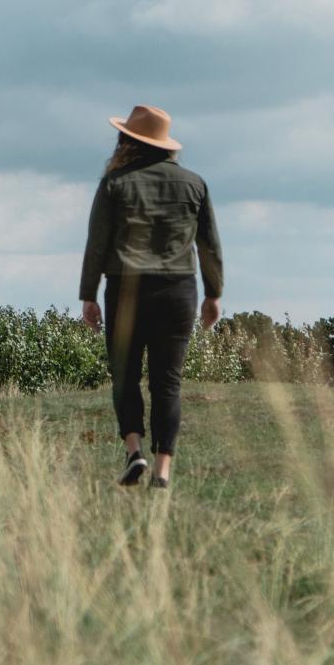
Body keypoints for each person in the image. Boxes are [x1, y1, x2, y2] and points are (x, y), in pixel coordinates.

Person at [79, 105, 224, 490]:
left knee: (125, 375)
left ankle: (134, 449)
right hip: (179, 290)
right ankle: (162, 471)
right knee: (167, 382)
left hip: (127, 289)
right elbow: (208, 245)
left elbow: (97, 243)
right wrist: (214, 295)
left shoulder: (115, 183)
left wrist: (88, 296)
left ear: (127, 141)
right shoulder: (195, 184)